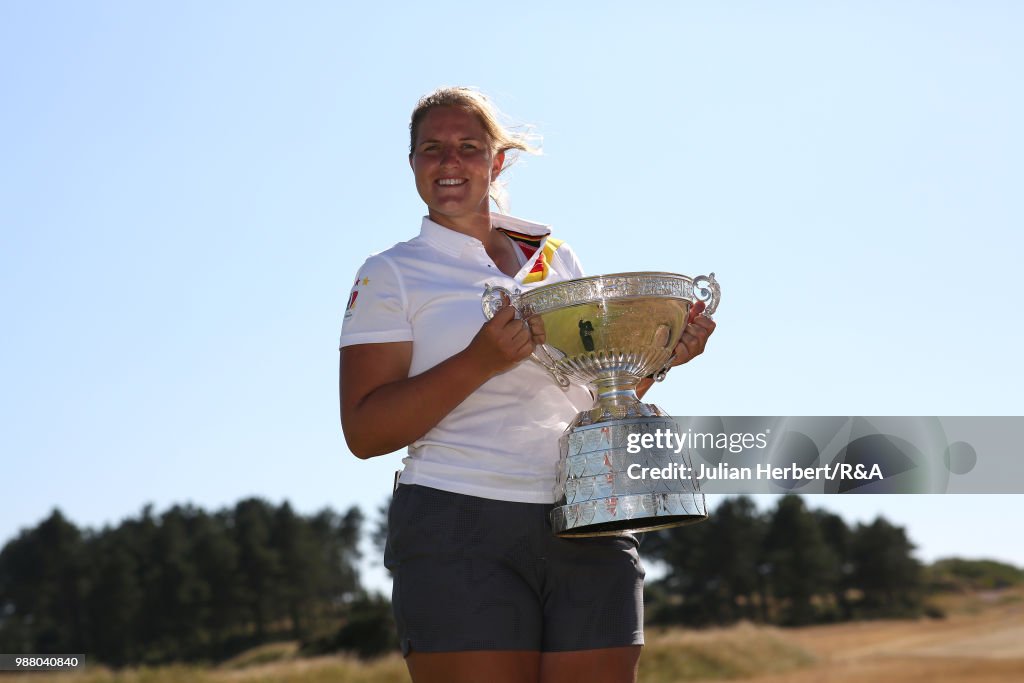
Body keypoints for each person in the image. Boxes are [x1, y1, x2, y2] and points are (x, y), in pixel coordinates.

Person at [338, 87, 716, 683]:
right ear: (412, 163)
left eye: (468, 147)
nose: (450, 163)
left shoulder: (554, 257)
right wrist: (479, 360)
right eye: (431, 149)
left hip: (588, 513)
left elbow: (588, 399)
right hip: (458, 521)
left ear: (497, 161)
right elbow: (363, 430)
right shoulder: (391, 273)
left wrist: (656, 360)